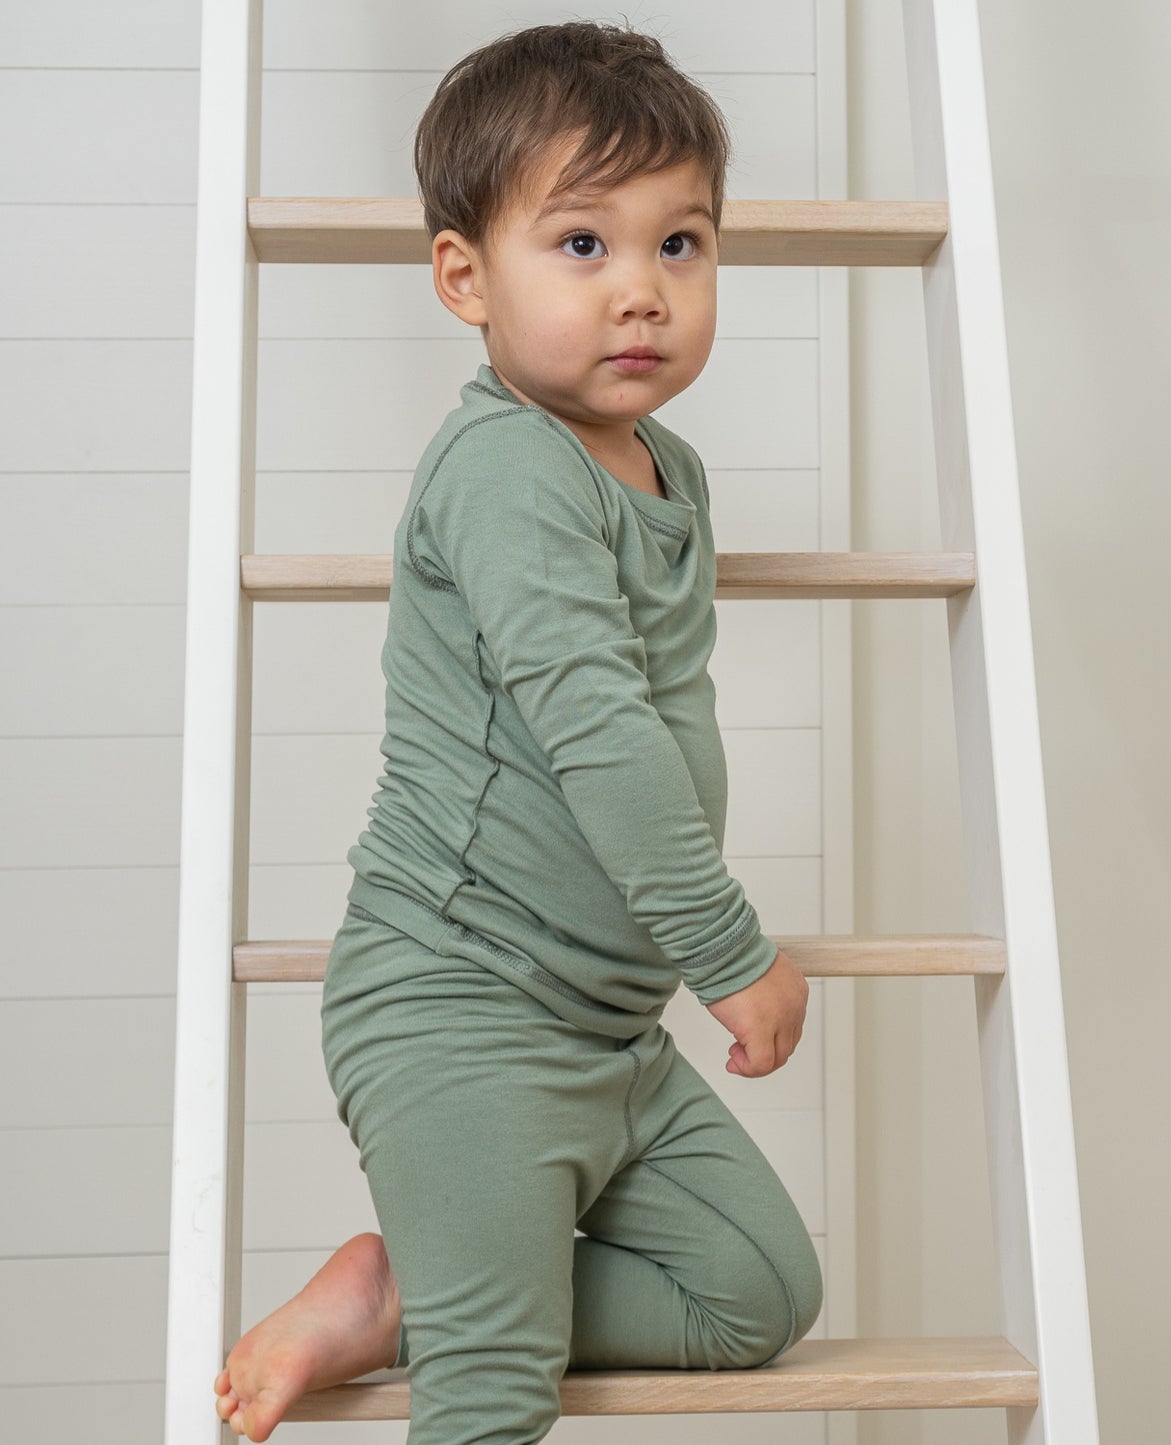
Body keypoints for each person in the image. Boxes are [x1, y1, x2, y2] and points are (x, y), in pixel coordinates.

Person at [212, 20, 823, 1443]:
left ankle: (421, 1292)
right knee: (493, 1402)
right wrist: (728, 953)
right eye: (583, 246)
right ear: (462, 277)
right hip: (464, 1007)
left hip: (606, 1030)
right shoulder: (503, 467)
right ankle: (469, 1307)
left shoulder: (665, 465)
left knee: (754, 1293)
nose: (642, 293)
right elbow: (600, 736)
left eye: (681, 245)